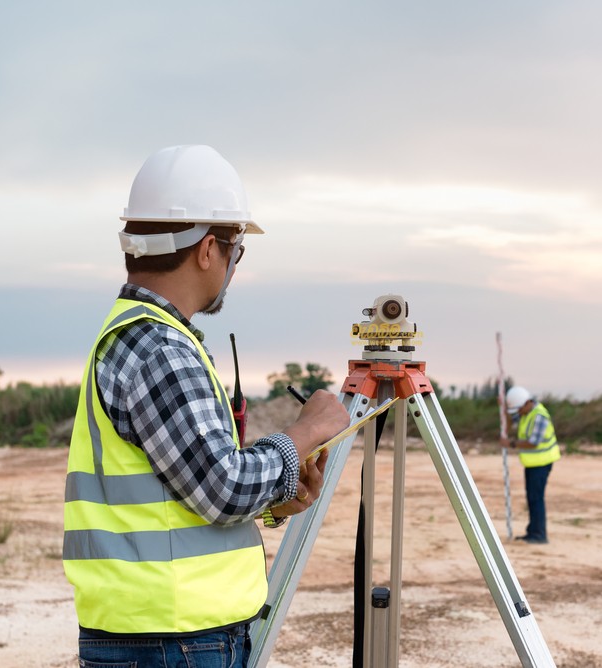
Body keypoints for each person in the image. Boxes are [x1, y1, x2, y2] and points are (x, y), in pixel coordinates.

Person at [62, 144, 350, 667]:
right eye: (236, 252)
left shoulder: (141, 337)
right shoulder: (160, 348)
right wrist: (309, 429)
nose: (233, 267)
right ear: (207, 249)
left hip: (157, 635)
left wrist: (275, 500)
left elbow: (184, 494)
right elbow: (223, 487)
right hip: (175, 641)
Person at [500, 386, 560, 545]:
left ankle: (539, 534)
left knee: (536, 498)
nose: (517, 413)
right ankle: (533, 531)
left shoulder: (539, 416)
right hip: (532, 463)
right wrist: (504, 408)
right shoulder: (525, 413)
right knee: (532, 498)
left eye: (518, 409)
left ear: (527, 403)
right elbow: (509, 422)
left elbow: (533, 442)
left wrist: (510, 443)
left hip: (542, 463)